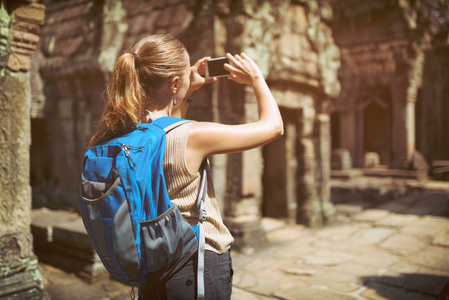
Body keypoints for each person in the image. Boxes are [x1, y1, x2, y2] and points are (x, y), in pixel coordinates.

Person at [88, 33, 283, 299]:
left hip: (153, 259)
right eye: (185, 75)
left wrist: (186, 89)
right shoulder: (193, 136)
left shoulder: (123, 134)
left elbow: (167, 135)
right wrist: (257, 79)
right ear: (174, 83)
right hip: (197, 264)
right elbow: (273, 127)